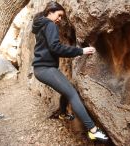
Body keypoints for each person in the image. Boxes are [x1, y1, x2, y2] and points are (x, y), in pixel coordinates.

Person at [32, 1, 108, 141]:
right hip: (45, 69)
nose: (60, 19)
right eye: (59, 15)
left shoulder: (41, 24)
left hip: (41, 68)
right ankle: (93, 130)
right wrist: (81, 50)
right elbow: (56, 47)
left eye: (62, 17)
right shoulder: (50, 25)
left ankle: (62, 113)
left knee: (67, 89)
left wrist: (74, 52)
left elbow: (49, 48)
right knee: (72, 94)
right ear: (50, 12)